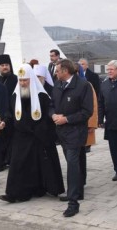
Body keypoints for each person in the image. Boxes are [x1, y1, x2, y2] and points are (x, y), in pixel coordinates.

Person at [0, 64, 65, 203]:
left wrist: (39, 131)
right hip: (21, 136)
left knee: (39, 163)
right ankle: (14, 193)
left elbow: (48, 116)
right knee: (18, 164)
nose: (23, 83)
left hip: (38, 136)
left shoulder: (42, 96)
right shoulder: (15, 96)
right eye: (21, 80)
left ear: (32, 80)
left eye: (25, 80)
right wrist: (4, 121)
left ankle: (42, 188)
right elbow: (10, 113)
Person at [51, 59, 93, 217]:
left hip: (75, 132)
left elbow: (87, 111)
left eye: (57, 70)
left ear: (65, 71)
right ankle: (78, 191)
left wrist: (67, 119)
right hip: (61, 132)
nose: (55, 73)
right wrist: (53, 114)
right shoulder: (57, 84)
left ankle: (73, 202)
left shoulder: (83, 86)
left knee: (72, 165)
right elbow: (51, 104)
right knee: (73, 162)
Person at [0, 54, 18, 169]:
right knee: (0, 139)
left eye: (7, 65)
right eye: (2, 65)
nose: (5, 67)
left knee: (11, 139)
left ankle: (10, 160)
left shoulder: (16, 80)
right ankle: (2, 161)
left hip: (13, 114)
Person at [78, 58, 101, 154]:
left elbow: (98, 90)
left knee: (89, 128)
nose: (81, 66)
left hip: (91, 101)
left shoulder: (93, 76)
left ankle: (88, 145)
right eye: (80, 64)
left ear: (87, 65)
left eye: (83, 64)